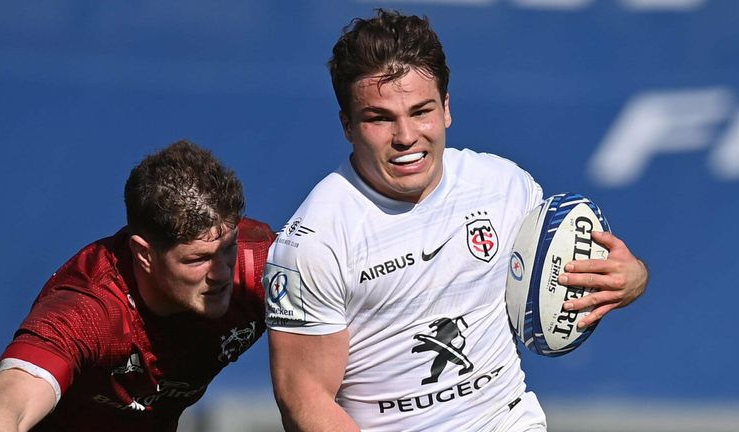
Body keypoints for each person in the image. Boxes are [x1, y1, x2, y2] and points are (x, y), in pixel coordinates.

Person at [263, 9, 649, 432]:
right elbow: (304, 399)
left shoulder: (504, 187)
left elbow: (559, 277)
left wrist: (630, 278)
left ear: (446, 108)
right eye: (380, 118)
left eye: (421, 111)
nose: (406, 136)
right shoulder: (315, 242)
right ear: (347, 126)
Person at [0, 140, 275, 432]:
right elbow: (5, 408)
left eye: (228, 248)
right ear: (144, 254)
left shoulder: (264, 267)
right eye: (198, 260)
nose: (221, 273)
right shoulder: (90, 309)